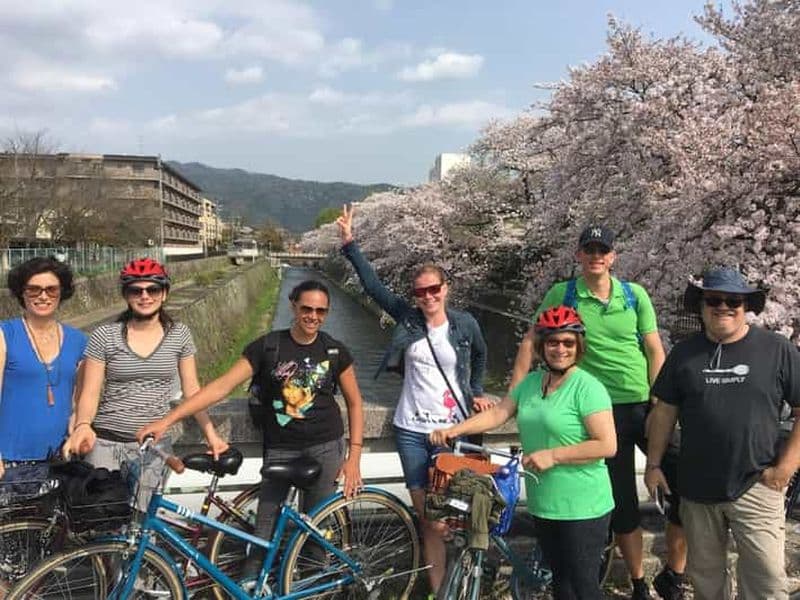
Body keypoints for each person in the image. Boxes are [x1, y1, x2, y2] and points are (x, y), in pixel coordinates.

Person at [137, 279, 364, 574]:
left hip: (326, 446)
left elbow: (355, 403)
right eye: (306, 308)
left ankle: (309, 588)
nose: (313, 316)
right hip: (281, 448)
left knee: (315, 529)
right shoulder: (269, 346)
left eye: (321, 311)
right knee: (263, 529)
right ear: (293, 306)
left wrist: (354, 457)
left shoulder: (334, 351)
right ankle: (250, 584)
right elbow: (220, 387)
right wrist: (167, 421)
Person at [510, 224, 670, 600]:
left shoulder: (634, 295)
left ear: (613, 256)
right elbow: (532, 341)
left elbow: (654, 349)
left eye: (603, 250)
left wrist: (660, 400)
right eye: (589, 250)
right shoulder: (562, 294)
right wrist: (518, 396)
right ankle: (637, 582)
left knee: (683, 478)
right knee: (622, 503)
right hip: (597, 409)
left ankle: (674, 575)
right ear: (578, 255)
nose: (596, 256)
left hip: (641, 403)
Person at [336, 204, 489, 595]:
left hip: (454, 432)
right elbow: (373, 287)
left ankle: (463, 583)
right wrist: (350, 243)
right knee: (428, 519)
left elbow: (481, 356)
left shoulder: (465, 324)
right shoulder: (407, 318)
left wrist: (477, 392)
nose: (427, 297)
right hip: (411, 431)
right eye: (420, 292)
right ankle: (440, 591)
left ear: (445, 289)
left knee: (457, 515)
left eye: (433, 289)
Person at [432, 306, 616, 599]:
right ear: (542, 346)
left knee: (583, 587)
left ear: (578, 346)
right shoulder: (532, 383)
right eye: (553, 342)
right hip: (545, 503)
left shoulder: (588, 388)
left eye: (568, 342)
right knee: (562, 586)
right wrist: (455, 430)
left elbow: (606, 445)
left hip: (583, 505)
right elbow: (499, 414)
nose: (560, 349)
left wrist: (553, 455)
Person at [645, 266, 800, 600]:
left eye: (734, 301)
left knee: (768, 582)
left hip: (757, 484)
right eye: (714, 300)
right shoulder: (684, 354)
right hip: (698, 490)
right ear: (702, 306)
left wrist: (786, 468)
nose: (724, 307)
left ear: (746, 307)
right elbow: (664, 412)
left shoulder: (777, 349)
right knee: (706, 583)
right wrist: (654, 465)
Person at [63, 258, 228, 506]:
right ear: (126, 295)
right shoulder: (104, 336)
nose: (144, 296)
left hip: (153, 448)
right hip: (105, 443)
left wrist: (211, 435)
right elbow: (90, 391)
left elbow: (193, 391)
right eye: (135, 290)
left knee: (141, 524)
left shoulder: (179, 334)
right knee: (101, 524)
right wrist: (83, 424)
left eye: (152, 289)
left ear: (164, 294)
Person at [0, 257, 86, 484]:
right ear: (21, 293)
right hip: (10, 461)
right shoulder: (5, 334)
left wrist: (76, 432)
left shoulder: (78, 340)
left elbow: (79, 400)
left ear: (62, 292)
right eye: (34, 290)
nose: (43, 296)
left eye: (51, 289)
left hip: (60, 460)